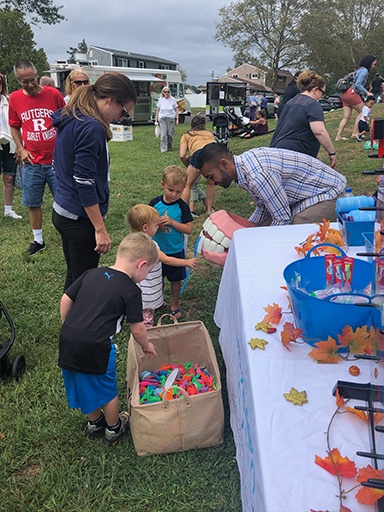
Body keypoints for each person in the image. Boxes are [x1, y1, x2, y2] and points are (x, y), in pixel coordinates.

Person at [58, 232, 158, 446]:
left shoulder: (91, 273)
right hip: (97, 346)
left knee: (82, 380)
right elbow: (138, 329)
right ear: (141, 264)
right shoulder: (131, 290)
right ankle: (114, 428)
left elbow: (66, 299)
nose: (146, 276)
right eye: (148, 271)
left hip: (68, 339)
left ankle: (95, 423)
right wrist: (147, 346)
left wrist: (69, 327)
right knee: (106, 390)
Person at [52, 72, 137, 291]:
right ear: (110, 100)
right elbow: (84, 181)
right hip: (79, 219)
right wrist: (100, 229)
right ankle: (79, 324)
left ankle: (69, 322)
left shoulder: (73, 115)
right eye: (123, 110)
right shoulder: (91, 127)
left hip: (63, 210)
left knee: (74, 279)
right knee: (85, 284)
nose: (121, 117)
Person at [197, 142, 346, 227]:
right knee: (258, 229)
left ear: (224, 164)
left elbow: (282, 218)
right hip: (304, 194)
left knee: (297, 226)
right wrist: (247, 228)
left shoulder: (258, 176)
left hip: (328, 191)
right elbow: (265, 206)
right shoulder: (244, 167)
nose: (212, 183)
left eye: (211, 177)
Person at [8, 59, 65, 255]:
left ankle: (68, 235)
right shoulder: (15, 99)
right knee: (33, 202)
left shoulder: (53, 94)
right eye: (25, 82)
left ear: (36, 74)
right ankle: (38, 240)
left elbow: (64, 120)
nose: (30, 85)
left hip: (56, 160)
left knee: (64, 200)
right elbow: (14, 125)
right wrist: (21, 148)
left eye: (32, 79)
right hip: (31, 161)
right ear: (18, 80)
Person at [126, 204, 197, 328]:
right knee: (146, 317)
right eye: (155, 225)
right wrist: (186, 262)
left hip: (136, 288)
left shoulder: (131, 241)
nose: (157, 227)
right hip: (147, 292)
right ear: (145, 227)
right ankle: (146, 335)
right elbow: (167, 260)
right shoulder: (150, 247)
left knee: (140, 308)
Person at [149, 165, 193, 319]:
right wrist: (156, 224)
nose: (174, 194)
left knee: (175, 279)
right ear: (163, 185)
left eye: (178, 191)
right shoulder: (154, 204)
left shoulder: (182, 207)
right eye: (170, 190)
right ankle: (158, 301)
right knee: (156, 277)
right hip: (156, 251)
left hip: (175, 250)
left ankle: (175, 303)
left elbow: (188, 229)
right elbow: (147, 223)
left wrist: (173, 223)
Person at [270, 70, 337, 168]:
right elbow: (320, 132)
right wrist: (332, 153)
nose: (321, 96)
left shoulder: (291, 102)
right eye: (322, 92)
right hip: (296, 154)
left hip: (277, 150)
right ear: (315, 89)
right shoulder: (313, 104)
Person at [335, 54, 377, 140]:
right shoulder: (364, 71)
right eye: (374, 64)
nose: (374, 66)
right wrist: (367, 92)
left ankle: (338, 136)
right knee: (363, 112)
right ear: (370, 63)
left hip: (345, 94)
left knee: (346, 117)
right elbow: (358, 84)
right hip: (352, 93)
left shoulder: (359, 70)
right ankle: (355, 133)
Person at [179, 115, 216, 213]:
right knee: (211, 183)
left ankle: (184, 211)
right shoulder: (209, 134)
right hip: (213, 153)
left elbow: (182, 155)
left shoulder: (187, 135)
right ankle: (209, 209)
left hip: (198, 154)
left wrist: (189, 165)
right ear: (204, 125)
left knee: (187, 184)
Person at [0, 74, 22, 219]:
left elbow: (17, 125)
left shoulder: (8, 101)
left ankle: (8, 210)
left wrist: (20, 147)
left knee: (9, 178)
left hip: (9, 144)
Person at [155, 86, 179, 152]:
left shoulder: (173, 99)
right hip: (162, 119)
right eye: (165, 92)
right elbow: (158, 110)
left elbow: (176, 109)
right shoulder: (160, 100)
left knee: (170, 134)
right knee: (163, 135)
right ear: (163, 92)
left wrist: (177, 119)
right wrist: (156, 120)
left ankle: (169, 147)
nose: (167, 93)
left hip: (171, 118)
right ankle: (163, 149)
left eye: (168, 92)